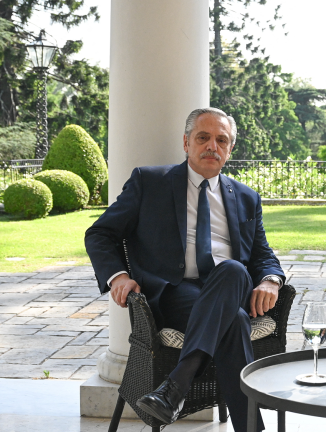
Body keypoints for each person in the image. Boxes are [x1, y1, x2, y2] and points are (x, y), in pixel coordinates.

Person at [85, 107, 284, 432]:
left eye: (221, 140)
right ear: (186, 142)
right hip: (175, 295)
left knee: (233, 271)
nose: (212, 146)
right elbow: (100, 233)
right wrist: (118, 275)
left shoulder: (246, 197)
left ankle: (175, 387)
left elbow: (262, 253)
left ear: (230, 148)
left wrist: (272, 280)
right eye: (203, 137)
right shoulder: (150, 183)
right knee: (233, 321)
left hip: (232, 287)